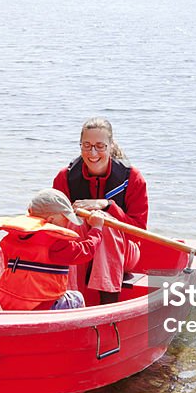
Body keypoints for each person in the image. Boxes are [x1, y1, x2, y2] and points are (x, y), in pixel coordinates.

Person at [53, 117, 148, 305]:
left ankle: (108, 305)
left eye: (100, 146)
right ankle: (71, 300)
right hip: (81, 248)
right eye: (86, 145)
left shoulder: (133, 178)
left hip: (124, 251)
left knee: (103, 223)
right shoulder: (65, 177)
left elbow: (139, 232)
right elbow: (55, 226)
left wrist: (108, 206)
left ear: (110, 146)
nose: (93, 152)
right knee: (73, 222)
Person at [0, 188, 107, 311]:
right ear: (51, 220)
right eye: (65, 218)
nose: (68, 223)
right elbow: (86, 251)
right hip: (39, 305)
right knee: (77, 297)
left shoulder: (13, 237)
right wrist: (96, 228)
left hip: (8, 300)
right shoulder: (55, 242)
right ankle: (77, 330)